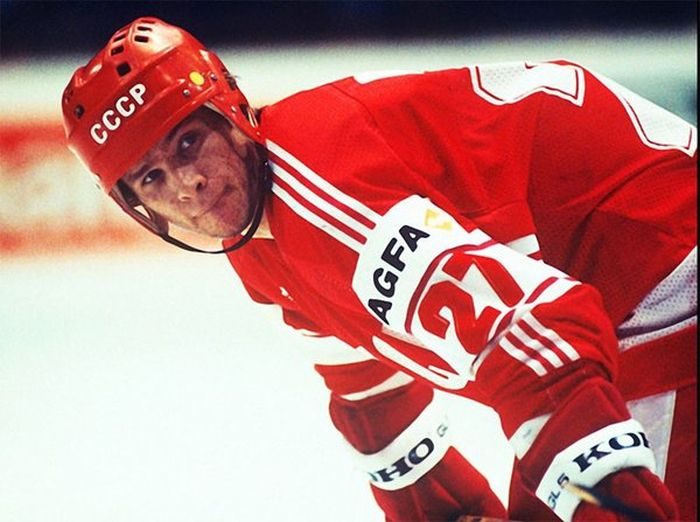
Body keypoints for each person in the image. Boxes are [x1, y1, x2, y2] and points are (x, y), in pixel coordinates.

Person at [62, 17, 696, 522]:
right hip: (626, 297)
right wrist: (440, 510)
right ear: (139, 207)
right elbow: (373, 394)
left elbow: (539, 330)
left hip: (662, 273)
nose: (187, 185)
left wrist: (608, 499)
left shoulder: (323, 192)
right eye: (152, 178)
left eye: (188, 143)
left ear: (231, 114)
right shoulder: (259, 242)